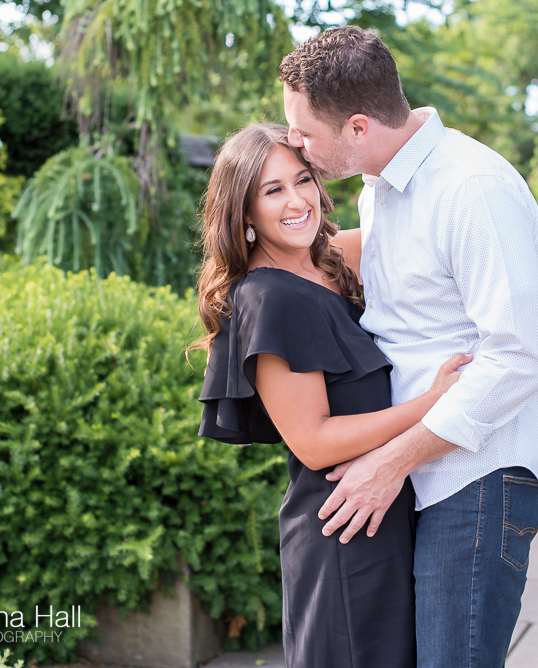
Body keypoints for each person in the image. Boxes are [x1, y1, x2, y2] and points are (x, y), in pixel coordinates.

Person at [279, 26, 538, 668]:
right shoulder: (382, 184)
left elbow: (517, 359)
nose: (295, 143)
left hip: (478, 472)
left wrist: (392, 461)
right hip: (421, 472)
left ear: (356, 127)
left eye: (303, 132)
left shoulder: (471, 188)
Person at [193, 121, 471, 668]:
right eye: (272, 191)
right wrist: (433, 402)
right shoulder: (269, 298)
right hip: (343, 533)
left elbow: (426, 223)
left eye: (303, 180)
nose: (297, 201)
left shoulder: (333, 262)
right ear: (243, 213)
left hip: (389, 512)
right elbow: (315, 443)